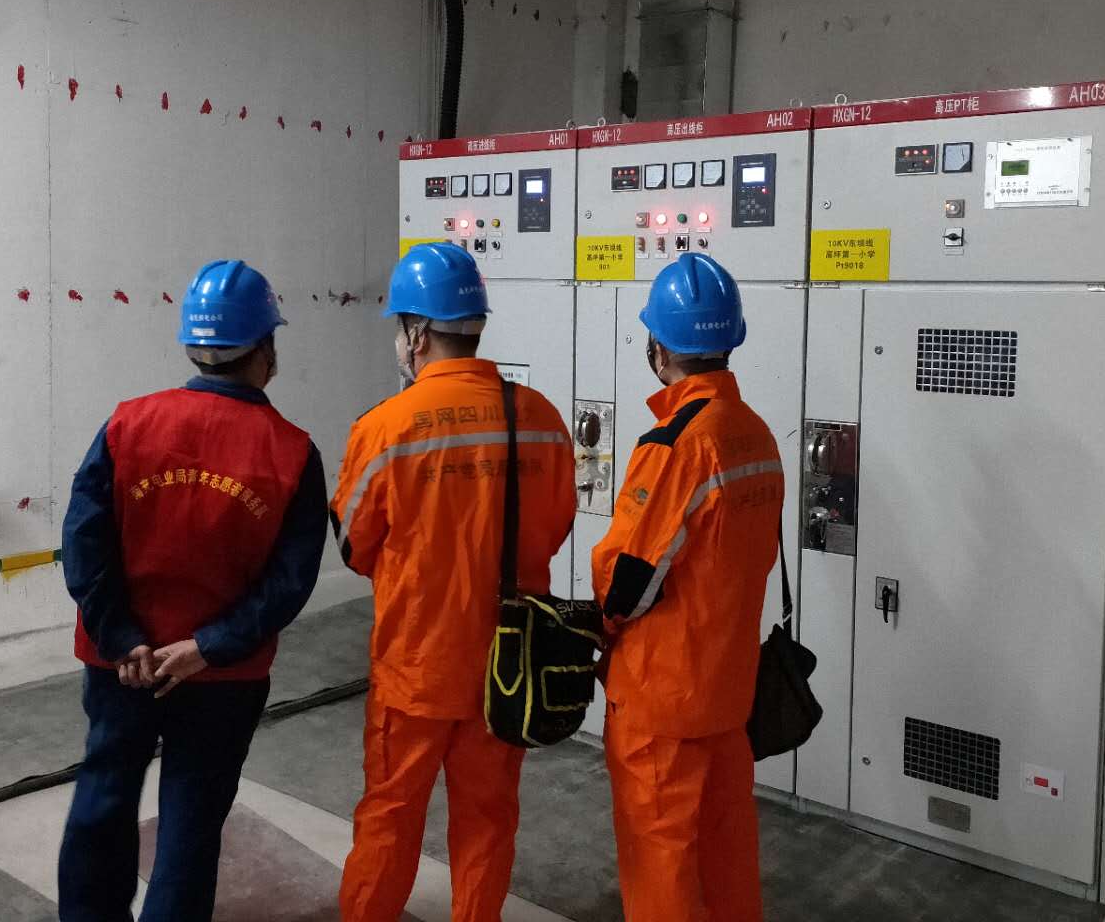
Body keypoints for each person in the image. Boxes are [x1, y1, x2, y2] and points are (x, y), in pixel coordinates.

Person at [57, 259, 328, 922]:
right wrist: (208, 647)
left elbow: (84, 542)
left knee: (103, 798)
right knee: (192, 818)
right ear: (265, 348)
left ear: (192, 345)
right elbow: (289, 582)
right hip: (222, 678)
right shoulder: (293, 452)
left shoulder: (126, 426)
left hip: (122, 667)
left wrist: (122, 638)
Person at [330, 243, 575, 922]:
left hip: (416, 667)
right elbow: (555, 526)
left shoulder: (384, 428)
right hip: (507, 666)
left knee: (390, 816)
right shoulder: (541, 418)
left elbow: (352, 545)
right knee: (487, 820)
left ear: (416, 333)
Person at [592, 253, 784, 922]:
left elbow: (628, 581)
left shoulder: (676, 446)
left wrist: (600, 627)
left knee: (663, 868)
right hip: (727, 692)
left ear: (660, 347)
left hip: (661, 702)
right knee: (727, 860)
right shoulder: (755, 433)